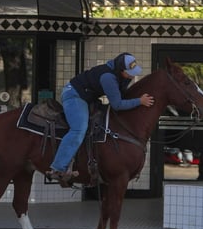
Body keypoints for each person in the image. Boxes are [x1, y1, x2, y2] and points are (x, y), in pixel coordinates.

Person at [46, 52, 154, 187]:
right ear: (120, 70)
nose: (133, 75)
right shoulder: (108, 78)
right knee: (79, 129)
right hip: (74, 95)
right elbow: (118, 105)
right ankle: (58, 167)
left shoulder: (121, 74)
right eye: (130, 72)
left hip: (88, 97)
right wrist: (140, 101)